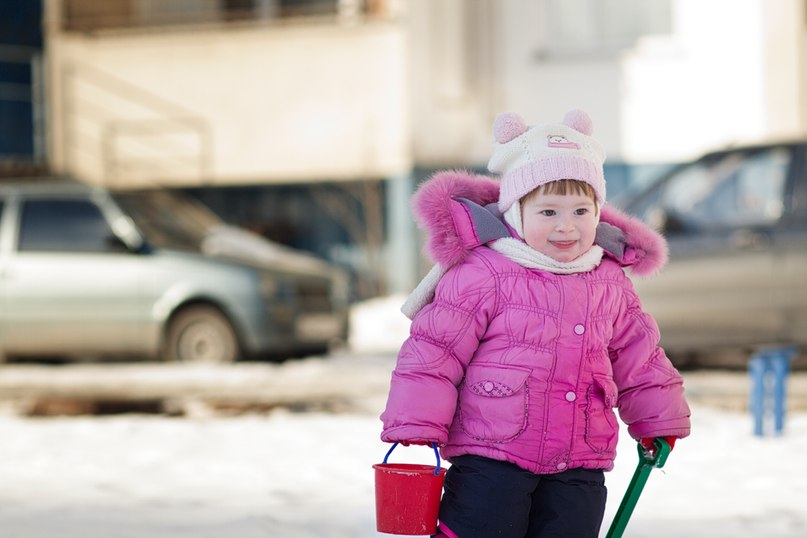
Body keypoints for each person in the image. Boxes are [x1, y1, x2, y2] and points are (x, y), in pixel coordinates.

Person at [380, 109, 691, 538]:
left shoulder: (608, 279)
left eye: (581, 211)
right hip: (492, 455)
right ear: (515, 212)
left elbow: (639, 356)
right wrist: (418, 422)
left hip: (580, 457)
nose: (567, 227)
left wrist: (657, 418)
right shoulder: (485, 272)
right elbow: (435, 352)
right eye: (548, 213)